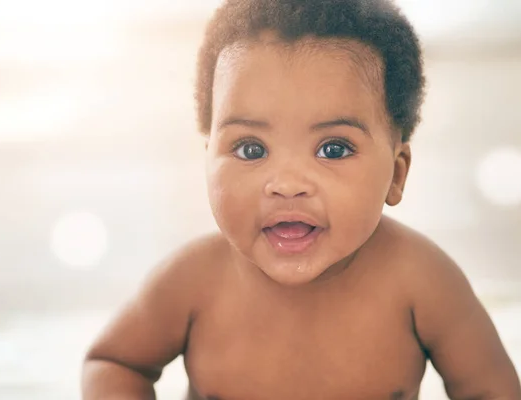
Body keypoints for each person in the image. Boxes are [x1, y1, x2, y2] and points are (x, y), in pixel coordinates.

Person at [82, 0, 521, 398]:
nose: (287, 184)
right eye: (250, 149)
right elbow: (113, 364)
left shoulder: (424, 284)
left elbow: (492, 390)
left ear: (396, 173)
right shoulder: (191, 283)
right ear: (207, 160)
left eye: (333, 148)